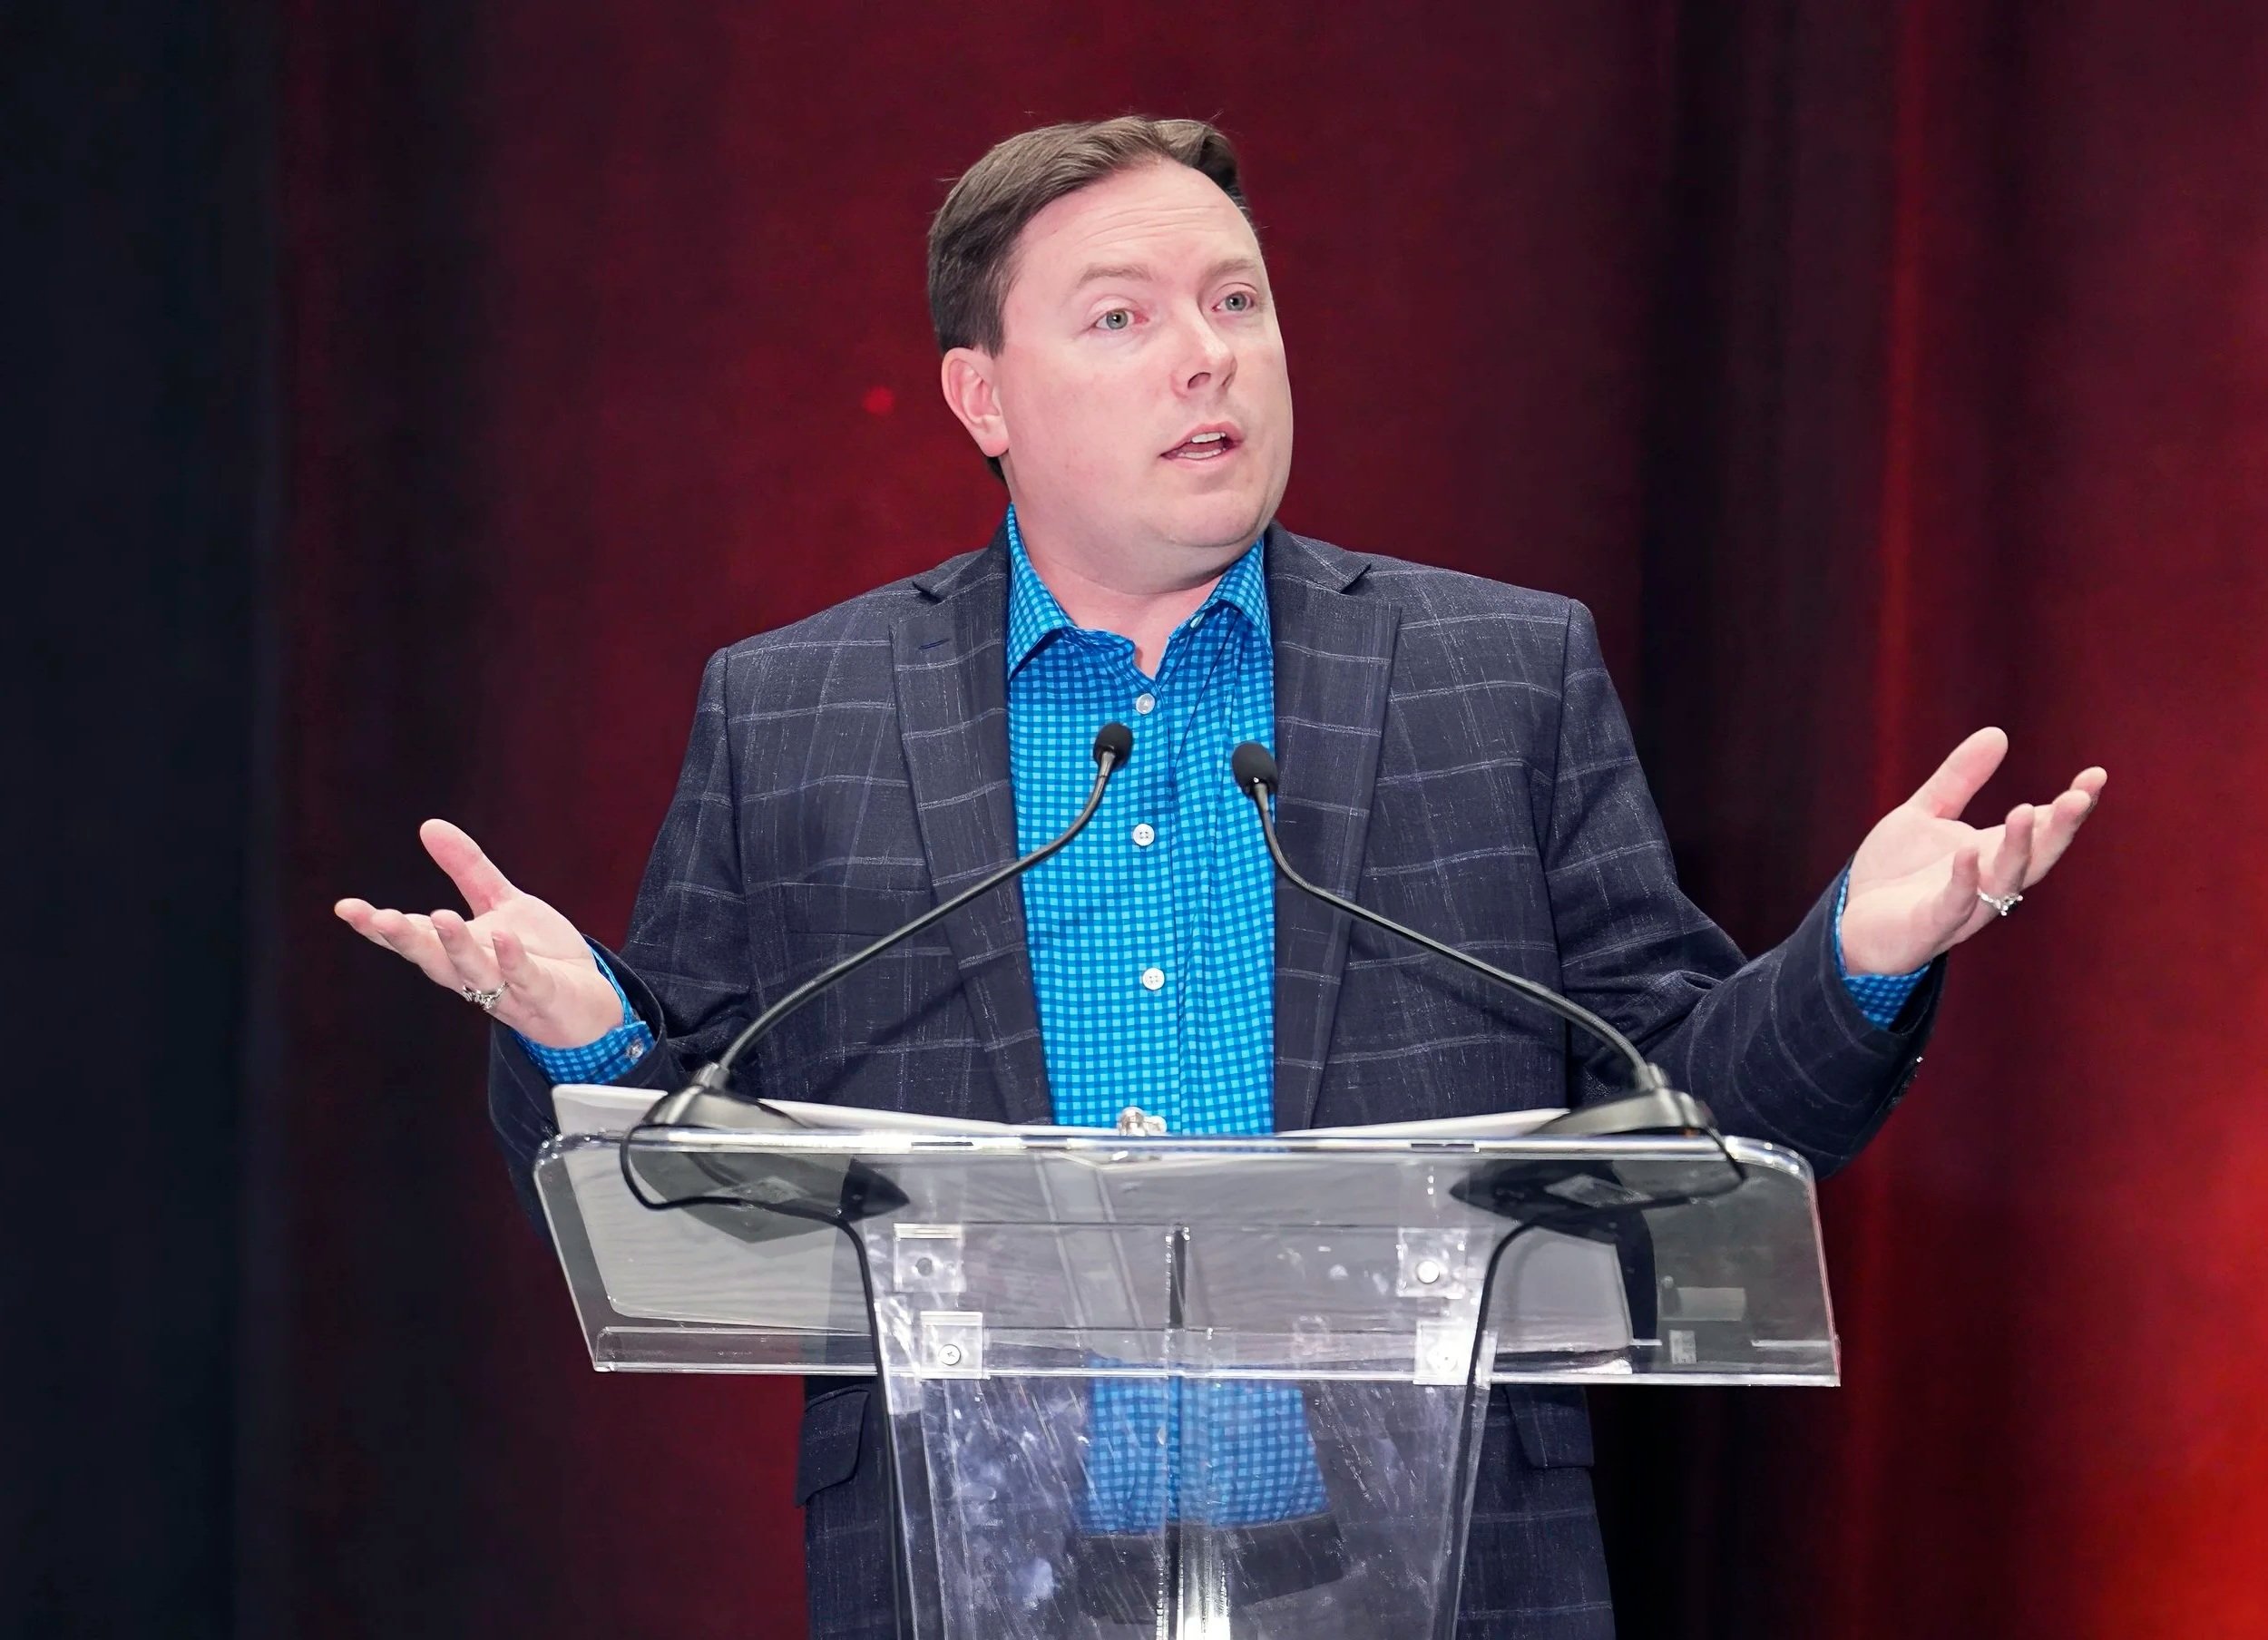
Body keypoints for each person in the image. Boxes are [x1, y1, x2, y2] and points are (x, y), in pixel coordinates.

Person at [337, 117, 2106, 1640]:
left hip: (1442, 1570)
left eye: (1236, 302)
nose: (1206, 358)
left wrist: (1855, 959)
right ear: (980, 396)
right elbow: (700, 1187)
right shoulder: (797, 712)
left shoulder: (1496, 677)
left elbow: (1686, 1119)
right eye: (1122, 317)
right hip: (972, 1577)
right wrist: (580, 1041)